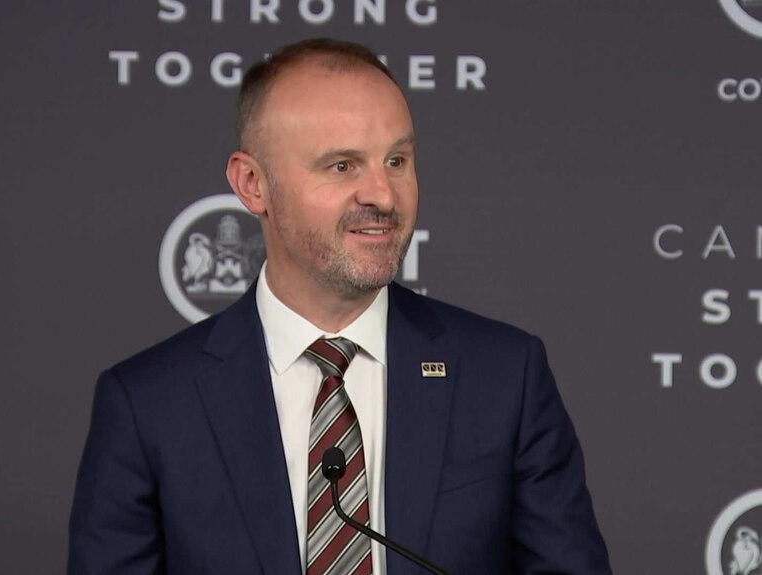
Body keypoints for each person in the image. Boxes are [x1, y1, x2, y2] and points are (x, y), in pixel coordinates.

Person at [68, 38, 612, 574]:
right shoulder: (148, 404)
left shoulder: (504, 377)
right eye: (342, 166)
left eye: (396, 160)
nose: (383, 194)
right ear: (253, 184)